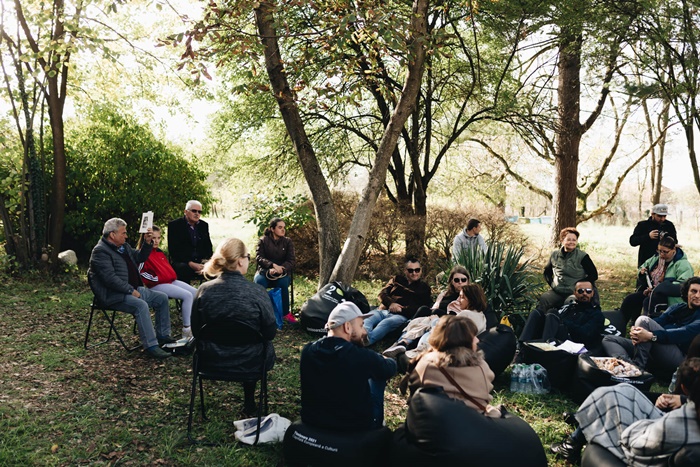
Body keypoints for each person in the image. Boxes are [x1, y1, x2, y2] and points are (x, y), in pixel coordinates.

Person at [551, 357, 700, 465]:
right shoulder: (687, 417)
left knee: (610, 396)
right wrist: (683, 400)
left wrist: (638, 423)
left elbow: (634, 444)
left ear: (684, 388)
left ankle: (572, 444)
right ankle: (585, 421)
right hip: (663, 425)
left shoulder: (676, 424)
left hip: (637, 443)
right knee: (626, 390)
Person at [191, 237, 276, 415]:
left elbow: (196, 330)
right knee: (258, 344)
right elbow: (269, 332)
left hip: (211, 359)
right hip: (251, 361)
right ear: (240, 261)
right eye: (248, 257)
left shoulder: (203, 290)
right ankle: (250, 404)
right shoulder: (257, 292)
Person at [300, 301, 397, 430]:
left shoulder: (308, 350)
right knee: (379, 372)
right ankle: (377, 424)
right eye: (361, 326)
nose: (364, 331)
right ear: (347, 327)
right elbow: (390, 368)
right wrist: (384, 359)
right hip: (353, 428)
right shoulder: (360, 356)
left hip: (313, 422)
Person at [88, 218, 173, 359]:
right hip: (113, 295)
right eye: (123, 233)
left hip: (133, 289)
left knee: (162, 298)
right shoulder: (100, 252)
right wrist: (130, 290)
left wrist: (147, 243)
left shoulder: (123, 247)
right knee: (141, 306)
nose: (126, 236)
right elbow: (110, 279)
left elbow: (139, 258)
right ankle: (151, 346)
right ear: (112, 235)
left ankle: (163, 336)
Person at [400, 315, 501, 417]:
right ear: (463, 340)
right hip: (474, 422)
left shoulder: (426, 363)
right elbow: (486, 394)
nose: (477, 340)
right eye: (473, 336)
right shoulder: (481, 366)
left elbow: (414, 396)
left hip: (434, 422)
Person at [602, 277, 700, 374]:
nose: (697, 295)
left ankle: (638, 367)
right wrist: (637, 331)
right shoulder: (677, 308)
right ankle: (628, 365)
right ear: (686, 292)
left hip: (680, 356)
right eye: (694, 291)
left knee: (643, 320)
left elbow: (682, 333)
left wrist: (651, 336)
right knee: (609, 339)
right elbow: (658, 322)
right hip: (655, 346)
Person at [385, 284, 489, 359]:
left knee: (427, 323)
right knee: (427, 320)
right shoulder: (482, 316)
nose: (458, 300)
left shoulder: (466, 314)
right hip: (456, 344)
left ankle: (403, 343)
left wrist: (435, 321)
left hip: (449, 344)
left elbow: (449, 331)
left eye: (462, 297)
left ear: (471, 299)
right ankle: (403, 343)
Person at [137, 225, 198, 338]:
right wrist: (156, 279)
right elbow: (140, 272)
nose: (156, 241)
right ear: (147, 237)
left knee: (196, 293)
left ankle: (196, 323)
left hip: (170, 281)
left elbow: (167, 270)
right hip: (156, 285)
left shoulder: (159, 252)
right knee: (187, 295)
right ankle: (187, 329)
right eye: (153, 238)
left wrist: (169, 276)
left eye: (158, 238)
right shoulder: (143, 254)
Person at [619, 236, 693, 325]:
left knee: (649, 302)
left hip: (671, 298)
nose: (661, 254)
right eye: (659, 251)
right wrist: (642, 272)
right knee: (630, 299)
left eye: (665, 252)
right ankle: (619, 326)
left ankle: (646, 328)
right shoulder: (656, 258)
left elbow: (684, 285)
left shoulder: (683, 264)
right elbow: (643, 266)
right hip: (652, 292)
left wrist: (661, 287)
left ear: (674, 250)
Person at [519, 280, 605, 351]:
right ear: (575, 293)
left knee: (552, 313)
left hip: (573, 343)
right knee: (537, 313)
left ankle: (545, 350)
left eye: (588, 291)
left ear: (592, 293)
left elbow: (585, 333)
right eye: (580, 291)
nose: (584, 293)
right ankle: (521, 347)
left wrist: (564, 322)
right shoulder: (569, 308)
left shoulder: (596, 314)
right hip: (557, 336)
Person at [363, 258, 433, 345]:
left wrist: (402, 309)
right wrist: (391, 304)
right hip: (383, 310)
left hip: (400, 316)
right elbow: (382, 293)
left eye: (417, 270)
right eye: (410, 270)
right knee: (367, 319)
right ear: (405, 271)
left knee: (386, 323)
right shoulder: (396, 279)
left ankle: (366, 342)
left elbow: (422, 308)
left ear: (421, 270)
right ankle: (360, 336)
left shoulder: (424, 288)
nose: (414, 273)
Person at [538, 227, 598, 313]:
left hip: (574, 292)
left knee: (569, 303)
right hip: (557, 291)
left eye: (574, 240)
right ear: (562, 240)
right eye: (569, 239)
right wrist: (553, 285)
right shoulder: (554, 255)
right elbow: (547, 273)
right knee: (545, 298)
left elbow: (594, 275)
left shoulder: (582, 256)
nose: (571, 242)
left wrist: (580, 286)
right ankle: (545, 320)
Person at [254, 217, 297, 324]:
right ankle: (260, 313)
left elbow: (291, 260)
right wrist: (271, 266)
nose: (283, 230)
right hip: (265, 271)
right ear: (272, 229)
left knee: (282, 283)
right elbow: (259, 257)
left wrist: (281, 268)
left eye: (284, 227)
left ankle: (285, 314)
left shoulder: (287, 242)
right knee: (259, 283)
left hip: (282, 272)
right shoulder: (263, 241)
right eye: (280, 227)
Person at [167, 200, 213, 284]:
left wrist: (206, 263)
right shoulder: (174, 225)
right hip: (182, 261)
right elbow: (173, 250)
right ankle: (186, 292)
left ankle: (212, 291)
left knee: (221, 267)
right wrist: (191, 263)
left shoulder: (203, 225)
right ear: (185, 212)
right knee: (183, 269)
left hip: (200, 261)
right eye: (194, 211)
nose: (197, 214)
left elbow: (208, 247)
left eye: (199, 212)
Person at [629, 203, 678, 268]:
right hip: (646, 261)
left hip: (665, 262)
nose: (662, 219)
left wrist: (667, 239)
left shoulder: (669, 225)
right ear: (653, 214)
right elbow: (633, 241)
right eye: (659, 216)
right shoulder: (643, 225)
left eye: (664, 216)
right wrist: (648, 236)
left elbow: (675, 241)